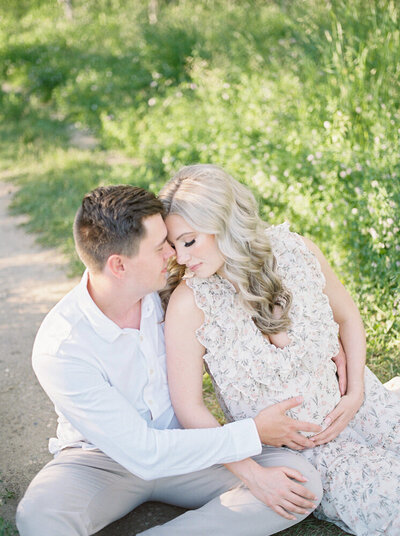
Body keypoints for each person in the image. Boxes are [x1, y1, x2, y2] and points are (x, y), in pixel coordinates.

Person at [16, 184, 325, 536]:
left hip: (191, 449)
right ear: (118, 265)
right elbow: (143, 452)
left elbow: (239, 262)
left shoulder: (176, 293)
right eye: (161, 246)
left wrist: (336, 346)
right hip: (101, 461)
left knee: (299, 484)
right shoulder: (62, 347)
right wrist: (252, 432)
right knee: (40, 518)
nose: (174, 254)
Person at [160, 163, 400, 536]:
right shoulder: (189, 304)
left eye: (189, 241)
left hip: (362, 407)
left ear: (223, 222)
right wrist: (252, 474)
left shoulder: (295, 250)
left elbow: (349, 318)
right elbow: (189, 409)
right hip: (307, 452)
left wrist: (355, 393)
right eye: (174, 245)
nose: (181, 257)